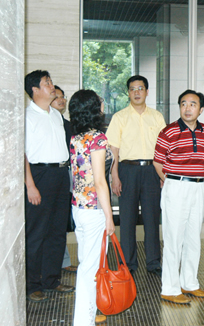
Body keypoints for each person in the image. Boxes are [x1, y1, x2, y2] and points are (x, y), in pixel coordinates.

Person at [153, 90, 204, 305]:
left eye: (193, 104)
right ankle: (170, 288)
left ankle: (190, 283)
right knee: (173, 238)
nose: (187, 108)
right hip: (176, 186)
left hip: (198, 187)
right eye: (183, 103)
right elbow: (158, 162)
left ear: (200, 109)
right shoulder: (168, 131)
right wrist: (170, 181)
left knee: (193, 237)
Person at [106, 75, 166, 276]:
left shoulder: (157, 117)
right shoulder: (119, 117)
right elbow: (113, 149)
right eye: (132, 89)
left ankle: (153, 262)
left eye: (140, 88)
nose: (137, 92)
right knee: (127, 219)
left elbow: (163, 149)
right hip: (127, 170)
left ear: (147, 92)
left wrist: (162, 174)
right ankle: (127, 263)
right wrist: (115, 176)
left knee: (152, 218)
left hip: (151, 170)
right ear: (128, 93)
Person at [24, 70, 74, 303]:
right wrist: (30, 184)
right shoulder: (26, 117)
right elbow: (22, 155)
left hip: (61, 175)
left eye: (51, 82)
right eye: (47, 83)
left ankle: (52, 280)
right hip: (39, 175)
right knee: (37, 233)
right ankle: (32, 284)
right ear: (34, 90)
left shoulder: (55, 115)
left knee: (57, 230)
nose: (52, 86)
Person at [69, 90, 115, 326]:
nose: (102, 103)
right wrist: (109, 216)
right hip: (94, 209)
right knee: (90, 268)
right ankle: (83, 321)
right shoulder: (97, 138)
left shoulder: (77, 137)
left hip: (78, 207)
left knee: (86, 263)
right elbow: (99, 181)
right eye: (100, 101)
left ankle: (88, 314)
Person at [51, 85, 78, 274]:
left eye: (63, 97)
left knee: (63, 219)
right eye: (57, 97)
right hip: (49, 175)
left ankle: (63, 261)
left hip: (67, 174)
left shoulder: (68, 125)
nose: (61, 100)